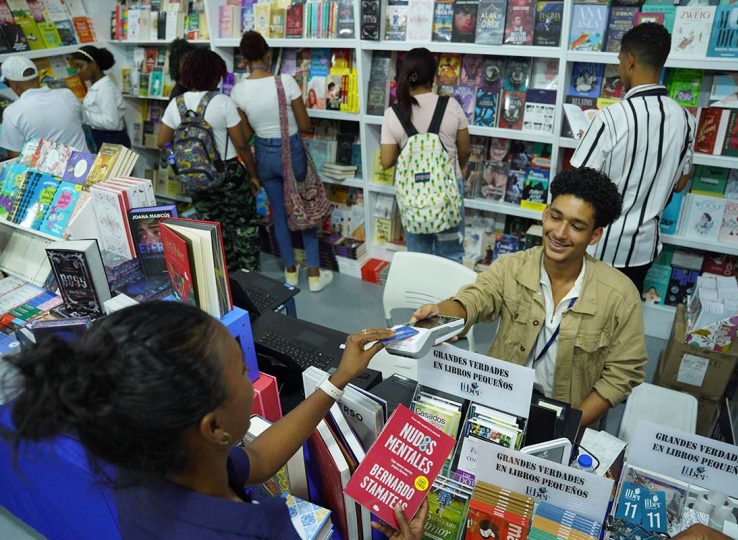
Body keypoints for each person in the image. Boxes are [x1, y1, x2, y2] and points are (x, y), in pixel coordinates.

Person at [3, 301, 427, 539]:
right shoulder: (252, 532)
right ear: (214, 428)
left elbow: (257, 459)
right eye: (242, 373)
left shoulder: (159, 472)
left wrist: (338, 381)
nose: (251, 380)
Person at [412, 168, 647, 427]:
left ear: (594, 235)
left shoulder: (620, 295)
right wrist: (440, 313)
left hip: (568, 414)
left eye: (576, 226)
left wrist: (569, 426)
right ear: (545, 213)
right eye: (555, 217)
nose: (559, 233)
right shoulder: (511, 267)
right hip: (498, 404)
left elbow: (622, 373)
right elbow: (475, 299)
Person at [570, 23, 696, 294]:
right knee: (621, 323)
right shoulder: (686, 120)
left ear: (629, 60)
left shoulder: (611, 117)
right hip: (644, 250)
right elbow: (680, 182)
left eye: (619, 60)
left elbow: (576, 186)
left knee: (585, 320)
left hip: (600, 248)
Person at [231, 31, 334, 292]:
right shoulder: (285, 82)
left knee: (278, 214)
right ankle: (313, 273)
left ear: (244, 60)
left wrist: (253, 167)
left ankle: (289, 272)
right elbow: (304, 124)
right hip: (292, 152)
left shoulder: (238, 91)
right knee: (306, 206)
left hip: (263, 154)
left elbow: (244, 136)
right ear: (268, 55)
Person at [157, 49, 261, 272]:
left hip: (196, 180)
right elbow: (241, 143)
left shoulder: (177, 104)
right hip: (229, 175)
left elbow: (162, 141)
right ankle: (252, 280)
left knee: (215, 230)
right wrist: (252, 175)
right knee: (244, 227)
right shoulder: (222, 101)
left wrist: (183, 163)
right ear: (215, 74)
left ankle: (229, 282)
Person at [380, 47, 470, 263]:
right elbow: (464, 150)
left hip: (414, 195)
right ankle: (449, 297)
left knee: (418, 257)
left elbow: (386, 161)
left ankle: (423, 297)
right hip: (448, 188)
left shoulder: (393, 113)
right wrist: (461, 169)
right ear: (434, 75)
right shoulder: (451, 106)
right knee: (451, 255)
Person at [0, 55, 88, 155]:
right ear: (38, 78)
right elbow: (83, 121)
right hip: (84, 166)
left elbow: (14, 155)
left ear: (13, 85)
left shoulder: (12, 112)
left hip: (48, 170)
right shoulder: (67, 95)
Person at [70, 46, 131, 152]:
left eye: (80, 66)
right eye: (76, 68)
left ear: (93, 64)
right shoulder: (96, 86)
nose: (78, 71)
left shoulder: (105, 89)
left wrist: (84, 115)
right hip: (103, 139)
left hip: (112, 141)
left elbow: (111, 122)